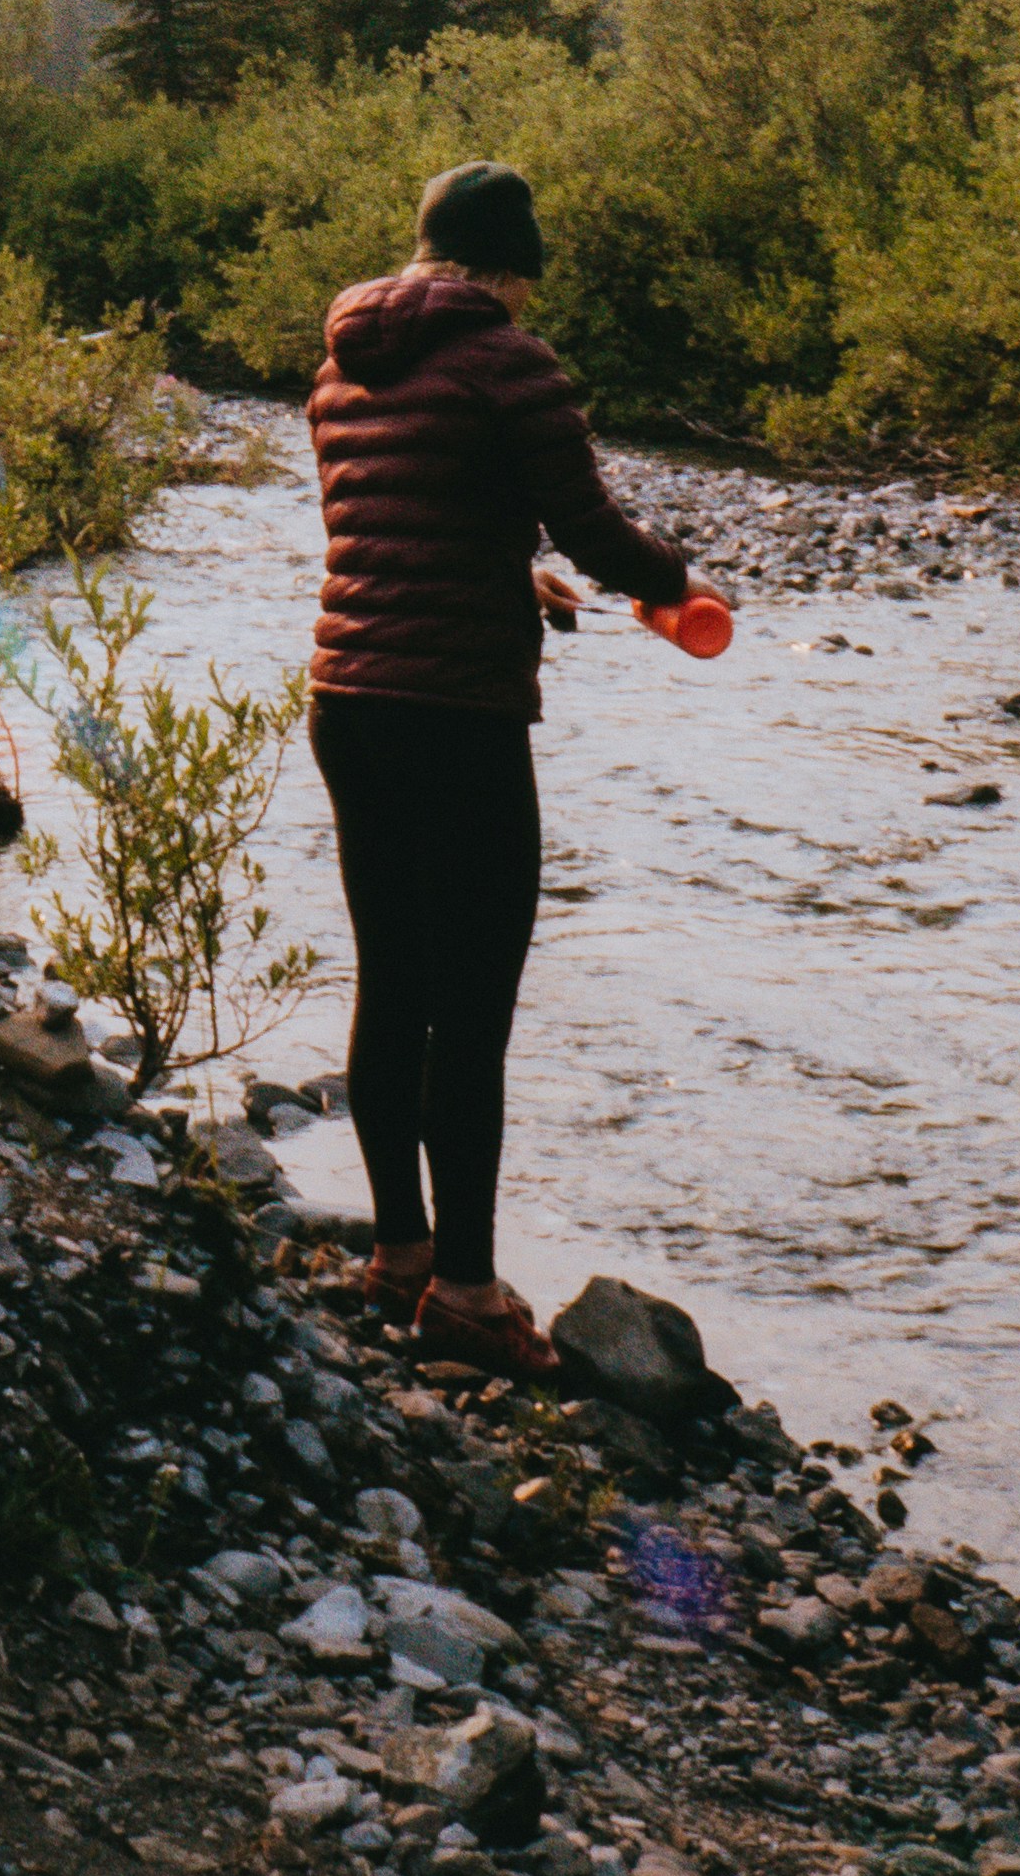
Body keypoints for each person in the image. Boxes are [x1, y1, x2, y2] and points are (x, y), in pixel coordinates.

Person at [306, 157, 715, 1375]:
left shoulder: (343, 358)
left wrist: (507, 570)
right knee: (473, 1007)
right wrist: (677, 583)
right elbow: (589, 525)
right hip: (455, 712)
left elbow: (386, 519)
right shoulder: (508, 360)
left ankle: (399, 1255)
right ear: (510, 268)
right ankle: (474, 1299)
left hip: (349, 698)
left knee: (394, 977)